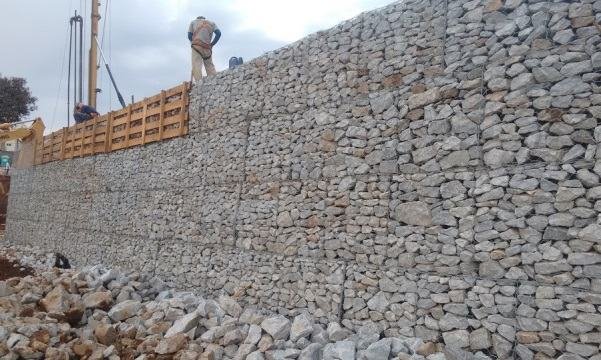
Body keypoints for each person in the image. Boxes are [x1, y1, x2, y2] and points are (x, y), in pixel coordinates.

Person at [188, 16, 221, 81]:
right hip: (207, 47)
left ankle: (199, 83)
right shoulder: (212, 23)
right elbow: (218, 33)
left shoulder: (193, 22)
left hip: (196, 46)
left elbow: (189, 36)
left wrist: (194, 42)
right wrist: (212, 44)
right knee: (210, 65)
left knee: (197, 65)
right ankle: (214, 81)